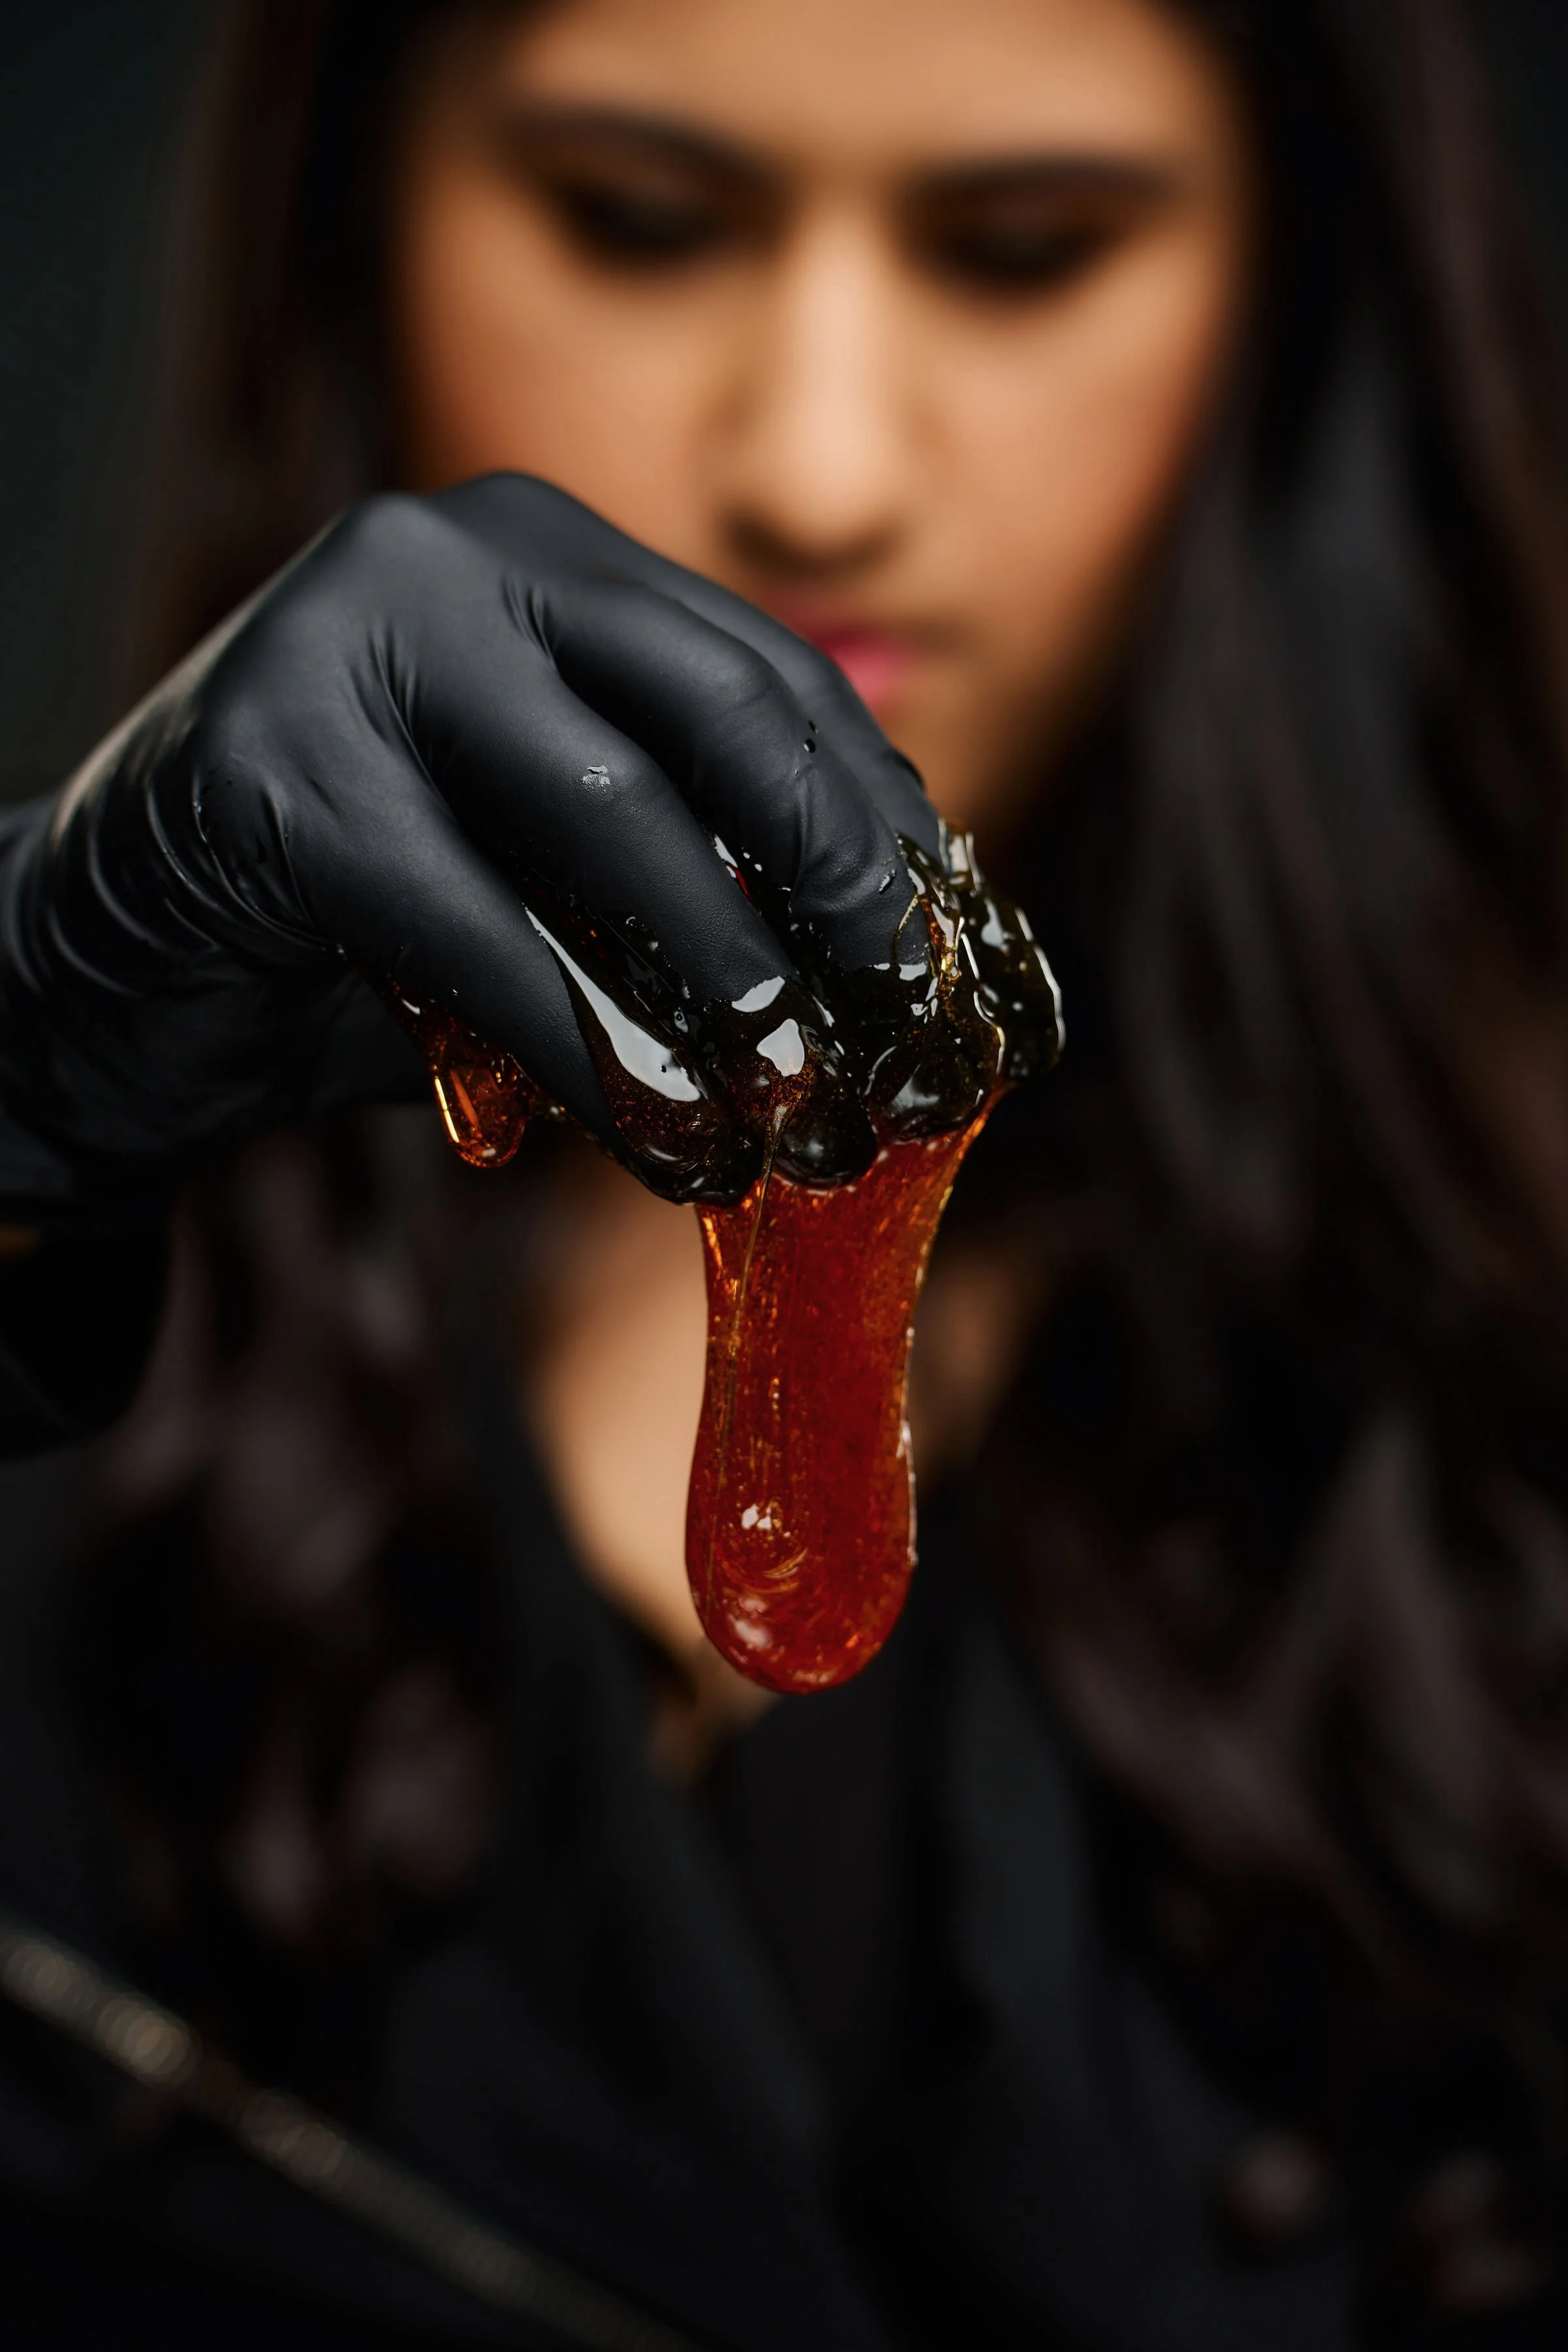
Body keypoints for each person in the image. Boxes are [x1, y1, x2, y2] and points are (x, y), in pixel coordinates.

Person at [1, 0, 1566, 2343]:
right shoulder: (79, 1255)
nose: (821, 468)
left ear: (1287, 302)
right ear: (355, 221)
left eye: (1027, 252)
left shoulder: (1511, 1376)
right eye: (637, 223)